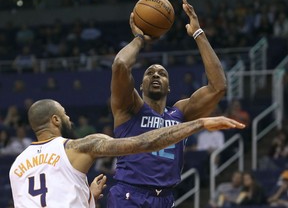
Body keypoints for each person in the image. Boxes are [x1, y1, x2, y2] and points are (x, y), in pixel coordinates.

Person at [9, 99, 244, 208]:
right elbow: (143, 143)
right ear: (55, 119)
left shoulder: (16, 165)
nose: (69, 117)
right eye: (65, 113)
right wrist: (199, 123)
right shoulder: (77, 147)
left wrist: (88, 196)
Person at [108, 0, 227, 208]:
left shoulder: (181, 113)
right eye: (149, 73)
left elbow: (218, 87)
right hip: (129, 194)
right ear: (141, 86)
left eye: (161, 73)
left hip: (165, 198)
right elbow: (120, 64)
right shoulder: (130, 108)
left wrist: (198, 34)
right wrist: (139, 38)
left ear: (169, 87)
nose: (155, 75)